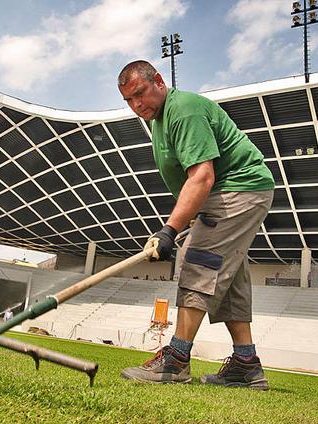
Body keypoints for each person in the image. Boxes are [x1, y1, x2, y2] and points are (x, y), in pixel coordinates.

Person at [117, 60, 275, 389]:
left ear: (159, 81)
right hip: (233, 193)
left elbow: (202, 176)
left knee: (198, 259)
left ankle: (175, 360)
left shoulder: (183, 110)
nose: (136, 105)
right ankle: (246, 364)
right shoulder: (160, 119)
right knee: (228, 279)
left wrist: (169, 231)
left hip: (238, 189)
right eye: (129, 100)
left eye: (140, 93)